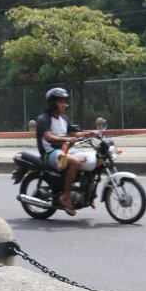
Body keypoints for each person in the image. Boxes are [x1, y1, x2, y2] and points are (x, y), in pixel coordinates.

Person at [34, 87, 96, 216]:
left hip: (66, 150)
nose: (64, 105)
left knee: (91, 159)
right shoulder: (43, 119)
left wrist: (91, 133)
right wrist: (67, 139)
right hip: (50, 153)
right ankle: (66, 196)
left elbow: (75, 133)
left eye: (64, 102)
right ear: (53, 103)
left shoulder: (64, 119)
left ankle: (87, 193)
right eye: (60, 102)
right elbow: (49, 137)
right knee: (74, 162)